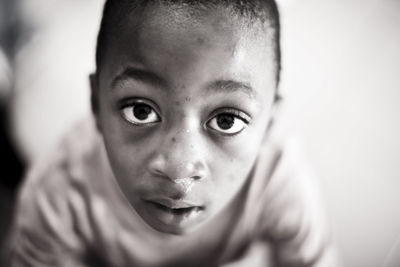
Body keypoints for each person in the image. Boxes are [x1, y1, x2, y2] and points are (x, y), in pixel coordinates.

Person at [5, 0, 340, 266]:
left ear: (269, 124)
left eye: (227, 121)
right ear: (96, 102)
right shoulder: (61, 192)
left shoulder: (276, 182)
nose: (179, 170)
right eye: (140, 110)